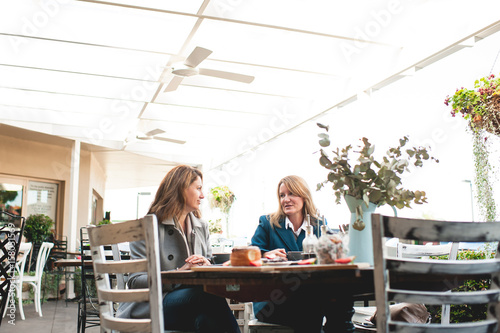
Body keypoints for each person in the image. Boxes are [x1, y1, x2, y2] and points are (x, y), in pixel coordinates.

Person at [117, 165, 240, 333]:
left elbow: (209, 261)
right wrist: (177, 273)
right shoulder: (147, 227)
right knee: (208, 296)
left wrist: (206, 263)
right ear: (181, 188)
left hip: (189, 304)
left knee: (206, 320)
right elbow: (135, 281)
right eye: (198, 189)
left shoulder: (201, 226)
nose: (203, 196)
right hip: (152, 305)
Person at [250, 175, 328, 332]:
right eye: (282, 195)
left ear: (304, 196)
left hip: (308, 294)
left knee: (326, 305)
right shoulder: (267, 223)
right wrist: (266, 254)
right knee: (312, 310)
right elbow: (251, 252)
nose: (286, 199)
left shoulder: (319, 224)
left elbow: (328, 252)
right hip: (271, 300)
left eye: (291, 193)